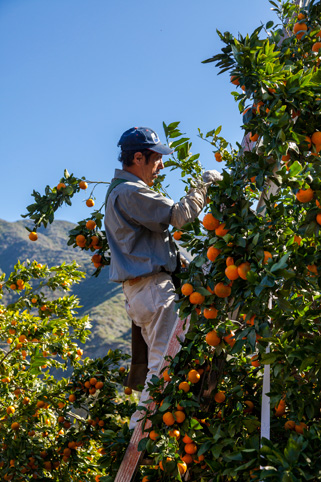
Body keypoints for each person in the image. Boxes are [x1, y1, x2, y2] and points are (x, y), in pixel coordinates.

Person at [104, 126, 221, 428]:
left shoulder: (120, 193)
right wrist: (204, 185)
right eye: (157, 158)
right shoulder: (130, 191)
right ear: (139, 157)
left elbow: (150, 245)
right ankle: (140, 427)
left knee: (165, 359)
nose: (162, 166)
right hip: (153, 290)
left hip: (142, 293)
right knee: (163, 363)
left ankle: (146, 425)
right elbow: (179, 215)